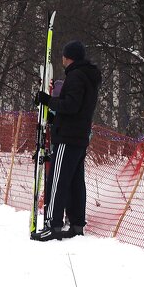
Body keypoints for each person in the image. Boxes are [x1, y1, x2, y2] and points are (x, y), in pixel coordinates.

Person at [32, 40, 102, 241]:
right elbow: (76, 110)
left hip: (68, 138)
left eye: (63, 56)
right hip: (78, 136)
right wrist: (54, 119)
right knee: (74, 182)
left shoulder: (76, 76)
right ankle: (77, 224)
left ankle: (53, 225)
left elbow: (70, 105)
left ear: (68, 57)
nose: (62, 59)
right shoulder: (88, 77)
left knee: (57, 180)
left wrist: (47, 100)